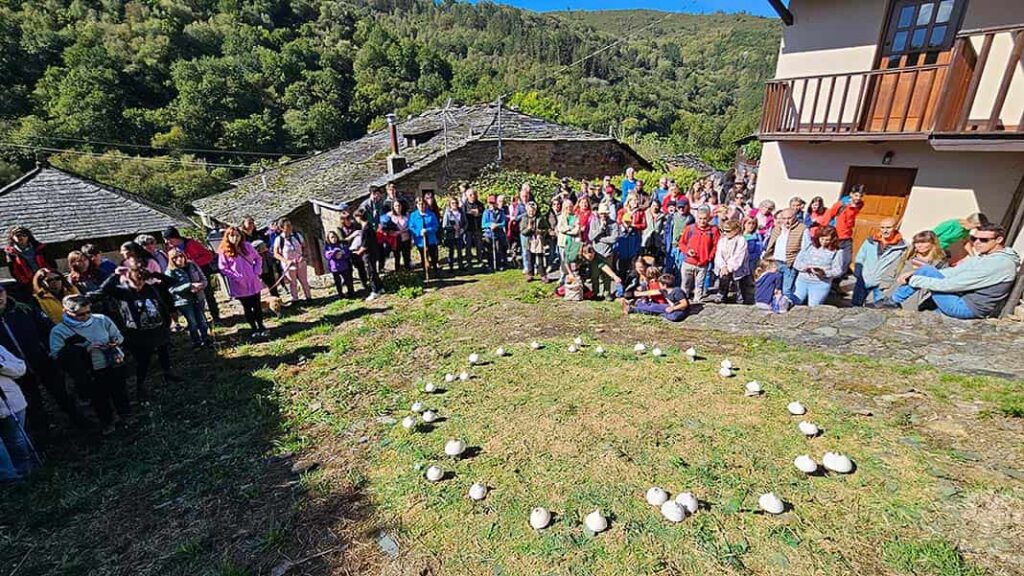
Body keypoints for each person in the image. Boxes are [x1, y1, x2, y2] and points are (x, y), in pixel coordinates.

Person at [873, 224, 1019, 319]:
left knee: (926, 272)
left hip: (967, 308)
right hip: (960, 299)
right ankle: (893, 301)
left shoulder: (999, 264)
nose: (977, 243)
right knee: (926, 271)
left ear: (999, 240)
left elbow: (952, 285)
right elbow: (953, 272)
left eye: (984, 240)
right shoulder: (985, 257)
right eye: (974, 238)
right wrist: (913, 273)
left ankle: (893, 301)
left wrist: (914, 279)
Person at [0, 283, 86, 437]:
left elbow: (48, 329)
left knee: (61, 393)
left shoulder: (24, 309)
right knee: (33, 404)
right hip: (16, 371)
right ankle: (44, 436)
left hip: (43, 361)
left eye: (0, 292)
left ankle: (79, 420)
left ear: (5, 292)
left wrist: (52, 350)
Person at [98, 264, 180, 399]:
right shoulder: (122, 292)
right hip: (137, 334)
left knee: (164, 352)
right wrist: (116, 275)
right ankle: (140, 385)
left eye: (141, 281)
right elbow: (104, 289)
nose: (139, 285)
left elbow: (172, 282)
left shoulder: (151, 289)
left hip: (158, 328)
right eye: (135, 281)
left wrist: (153, 274)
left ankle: (168, 373)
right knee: (143, 361)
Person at [49, 295, 128, 435]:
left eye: (88, 312)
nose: (86, 316)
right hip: (88, 371)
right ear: (66, 311)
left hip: (112, 364)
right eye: (80, 314)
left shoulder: (101, 319)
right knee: (99, 398)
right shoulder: (58, 331)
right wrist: (84, 350)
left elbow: (118, 336)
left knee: (119, 391)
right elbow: (57, 355)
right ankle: (107, 421)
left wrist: (114, 342)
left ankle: (125, 415)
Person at [218, 227, 267, 339]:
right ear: (228, 237)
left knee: (257, 306)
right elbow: (223, 268)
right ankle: (253, 328)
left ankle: (261, 326)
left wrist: (257, 271)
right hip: (240, 284)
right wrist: (235, 277)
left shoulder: (247, 246)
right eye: (233, 235)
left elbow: (258, 258)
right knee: (247, 307)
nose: (235, 238)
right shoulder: (224, 251)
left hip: (252, 280)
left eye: (237, 235)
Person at [163, 227, 221, 323]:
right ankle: (200, 320)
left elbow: (208, 255)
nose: (167, 242)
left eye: (168, 239)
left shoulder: (191, 243)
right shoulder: (171, 248)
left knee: (208, 294)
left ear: (175, 237)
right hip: (184, 276)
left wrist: (194, 263)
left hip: (200, 272)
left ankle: (216, 317)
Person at [883, 230, 947, 309]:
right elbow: (890, 271)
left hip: (918, 302)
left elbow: (942, 282)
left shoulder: (940, 263)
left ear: (933, 243)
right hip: (893, 297)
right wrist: (884, 288)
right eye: (917, 242)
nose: (919, 245)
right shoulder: (907, 256)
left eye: (923, 242)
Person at [852, 218, 907, 306]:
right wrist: (858, 270)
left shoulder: (902, 247)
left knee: (879, 308)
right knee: (855, 305)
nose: (885, 231)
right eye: (882, 227)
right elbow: (860, 256)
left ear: (895, 227)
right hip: (864, 278)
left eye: (888, 228)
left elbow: (900, 265)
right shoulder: (870, 241)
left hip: (882, 283)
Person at [165, 248, 211, 349]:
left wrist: (201, 285)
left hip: (198, 297)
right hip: (184, 302)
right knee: (192, 322)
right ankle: (196, 341)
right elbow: (171, 289)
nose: (179, 259)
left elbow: (203, 278)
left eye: (181, 256)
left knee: (202, 321)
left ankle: (206, 339)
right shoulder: (170, 272)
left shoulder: (192, 265)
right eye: (175, 257)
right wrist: (188, 286)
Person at [0, 343, 33, 482]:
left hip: (11, 401)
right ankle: (9, 477)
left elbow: (20, 368)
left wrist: (2, 367)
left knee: (16, 438)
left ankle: (26, 469)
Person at [763, 208, 810, 302]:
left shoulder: (802, 229)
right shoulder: (777, 228)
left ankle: (794, 304)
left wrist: (798, 262)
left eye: (789, 218)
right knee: (775, 288)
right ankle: (777, 304)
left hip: (789, 263)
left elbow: (806, 248)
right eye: (784, 218)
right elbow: (771, 243)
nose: (786, 221)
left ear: (795, 217)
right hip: (775, 262)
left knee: (787, 290)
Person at [792, 225, 844, 307]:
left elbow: (838, 271)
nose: (824, 242)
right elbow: (796, 263)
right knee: (795, 302)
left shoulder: (837, 252)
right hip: (802, 280)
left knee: (814, 306)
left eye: (827, 240)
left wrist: (824, 273)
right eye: (822, 239)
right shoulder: (809, 247)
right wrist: (805, 268)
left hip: (820, 283)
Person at [678, 207, 720, 303]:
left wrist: (709, 258)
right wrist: (687, 251)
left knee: (699, 284)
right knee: (685, 284)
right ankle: (683, 301)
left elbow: (715, 246)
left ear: (709, 218)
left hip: (702, 263)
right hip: (688, 262)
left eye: (704, 218)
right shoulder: (690, 228)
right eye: (700, 218)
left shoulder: (713, 231)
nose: (702, 221)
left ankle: (698, 301)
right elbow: (681, 243)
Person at [822, 186, 865, 272]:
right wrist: (823, 232)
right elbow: (829, 215)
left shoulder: (860, 205)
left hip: (847, 236)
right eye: (856, 195)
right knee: (830, 259)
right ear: (851, 194)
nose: (858, 198)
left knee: (846, 260)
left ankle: (837, 280)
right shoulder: (841, 204)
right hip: (836, 236)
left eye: (860, 196)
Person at [4, 227, 51, 303]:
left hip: (46, 278)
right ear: (12, 237)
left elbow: (51, 263)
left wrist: (48, 275)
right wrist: (25, 281)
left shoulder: (40, 248)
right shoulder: (11, 253)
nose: (21, 237)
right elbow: (13, 271)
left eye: (24, 235)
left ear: (28, 236)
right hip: (27, 283)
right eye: (18, 235)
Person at [273, 218, 312, 304]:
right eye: (288, 226)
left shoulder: (297, 236)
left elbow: (305, 247)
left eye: (290, 225)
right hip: (289, 265)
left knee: (304, 281)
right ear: (282, 228)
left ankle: (309, 298)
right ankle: (295, 300)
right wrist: (286, 261)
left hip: (300, 262)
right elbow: (276, 254)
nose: (290, 227)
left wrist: (304, 256)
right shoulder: (279, 240)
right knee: (292, 282)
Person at [714, 219, 753, 304]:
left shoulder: (741, 240)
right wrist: (723, 266)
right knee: (723, 280)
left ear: (736, 230)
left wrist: (729, 267)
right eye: (723, 230)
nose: (725, 233)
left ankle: (741, 299)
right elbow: (718, 254)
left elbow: (738, 255)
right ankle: (721, 295)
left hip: (738, 267)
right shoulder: (722, 240)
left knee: (739, 285)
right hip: (724, 267)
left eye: (728, 231)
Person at [624, 272, 690, 322]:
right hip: (669, 307)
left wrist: (673, 308)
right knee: (653, 307)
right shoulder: (663, 290)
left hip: (679, 310)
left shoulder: (677, 291)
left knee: (673, 317)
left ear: (664, 285)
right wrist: (637, 294)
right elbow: (652, 292)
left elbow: (684, 304)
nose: (658, 285)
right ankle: (632, 309)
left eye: (660, 284)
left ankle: (661, 313)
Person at [587, 203, 620, 299]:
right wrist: (600, 229)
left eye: (605, 213)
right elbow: (591, 237)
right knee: (595, 275)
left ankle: (607, 293)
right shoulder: (594, 222)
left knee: (607, 275)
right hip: (596, 253)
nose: (603, 215)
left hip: (608, 253)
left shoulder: (613, 223)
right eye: (601, 213)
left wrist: (601, 239)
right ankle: (595, 292)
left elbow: (614, 239)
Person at [353, 209, 384, 301]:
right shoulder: (369, 226)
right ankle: (380, 288)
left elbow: (365, 245)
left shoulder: (366, 229)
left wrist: (357, 252)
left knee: (370, 272)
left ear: (359, 217)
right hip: (374, 252)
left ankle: (374, 291)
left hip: (368, 254)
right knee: (374, 271)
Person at [408, 196, 441, 272]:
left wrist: (428, 230)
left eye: (423, 204)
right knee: (424, 256)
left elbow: (436, 226)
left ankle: (435, 269)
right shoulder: (413, 215)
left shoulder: (431, 214)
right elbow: (411, 227)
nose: (421, 206)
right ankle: (425, 270)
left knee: (434, 255)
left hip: (431, 239)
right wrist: (419, 232)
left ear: (425, 205)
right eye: (419, 204)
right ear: (416, 205)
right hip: (420, 241)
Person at [324, 230, 355, 299]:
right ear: (328, 239)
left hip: (344, 266)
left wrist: (342, 254)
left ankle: (351, 292)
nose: (333, 239)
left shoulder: (341, 244)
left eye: (334, 237)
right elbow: (327, 255)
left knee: (348, 280)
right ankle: (341, 294)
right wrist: (335, 253)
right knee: (338, 282)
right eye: (331, 237)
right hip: (335, 268)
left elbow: (347, 252)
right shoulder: (328, 247)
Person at [482, 195, 509, 271]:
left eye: (493, 203)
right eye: (490, 203)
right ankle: (490, 265)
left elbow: (503, 223)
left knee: (498, 249)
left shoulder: (501, 212)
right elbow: (483, 224)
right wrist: (490, 225)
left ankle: (499, 264)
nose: (492, 205)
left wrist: (497, 225)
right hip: (488, 233)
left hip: (498, 233)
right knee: (489, 250)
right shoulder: (486, 212)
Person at [442, 197, 467, 272]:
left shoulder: (461, 212)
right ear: (450, 204)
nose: (455, 204)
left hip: (459, 235)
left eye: (456, 203)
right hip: (451, 235)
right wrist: (452, 227)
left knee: (460, 251)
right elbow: (444, 226)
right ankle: (451, 267)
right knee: (451, 251)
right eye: (452, 203)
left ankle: (461, 266)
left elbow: (466, 223)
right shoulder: (447, 213)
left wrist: (463, 229)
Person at [462, 188, 485, 266]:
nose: (473, 196)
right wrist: (469, 213)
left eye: (474, 194)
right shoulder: (464, 205)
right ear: (467, 196)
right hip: (468, 228)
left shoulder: (480, 204)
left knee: (479, 245)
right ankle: (468, 261)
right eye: (470, 195)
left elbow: (483, 215)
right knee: (468, 246)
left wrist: (478, 214)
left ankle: (480, 259)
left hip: (477, 228)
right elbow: (462, 216)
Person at [389, 200, 413, 271]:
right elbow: (387, 228)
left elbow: (411, 225)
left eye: (399, 205)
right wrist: (395, 232)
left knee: (406, 256)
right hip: (396, 240)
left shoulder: (407, 215)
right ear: (393, 207)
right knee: (397, 257)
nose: (398, 207)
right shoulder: (390, 216)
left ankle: (408, 270)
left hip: (406, 238)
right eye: (396, 206)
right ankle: (398, 271)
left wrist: (404, 230)